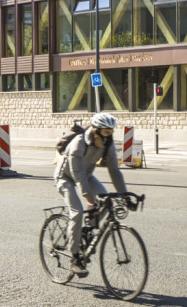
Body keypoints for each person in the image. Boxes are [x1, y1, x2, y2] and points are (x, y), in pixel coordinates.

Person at [53, 111, 128, 276]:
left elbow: (115, 171)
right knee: (77, 212)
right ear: (96, 130)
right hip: (65, 177)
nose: (108, 136)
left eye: (111, 132)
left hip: (86, 176)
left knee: (106, 201)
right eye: (106, 132)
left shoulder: (107, 144)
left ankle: (87, 230)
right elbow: (77, 173)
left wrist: (124, 196)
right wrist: (89, 198)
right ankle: (75, 258)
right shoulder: (79, 143)